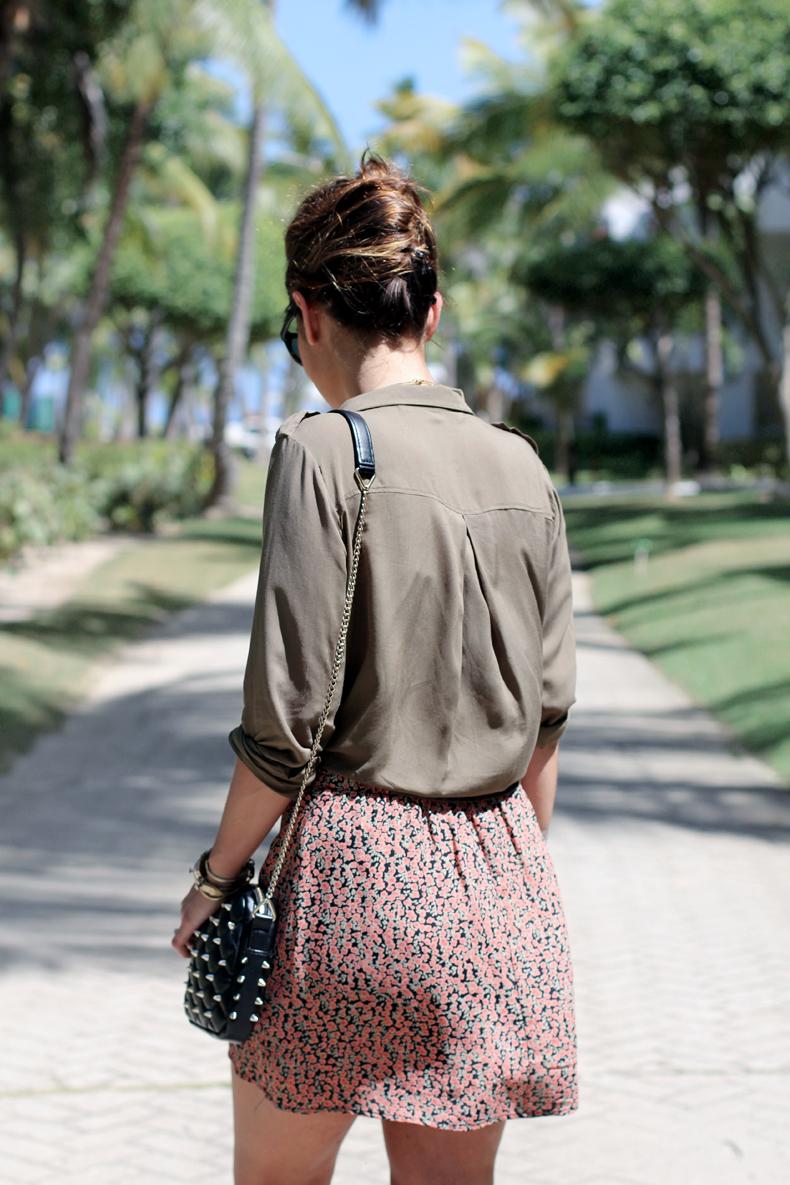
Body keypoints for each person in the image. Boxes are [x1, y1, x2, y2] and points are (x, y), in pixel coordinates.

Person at [173, 149, 578, 1185]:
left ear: (308, 313)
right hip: (496, 872)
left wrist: (218, 878)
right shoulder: (522, 464)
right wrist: (511, 884)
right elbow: (545, 721)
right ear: (430, 315)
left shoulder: (321, 449)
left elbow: (286, 723)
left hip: (347, 883)